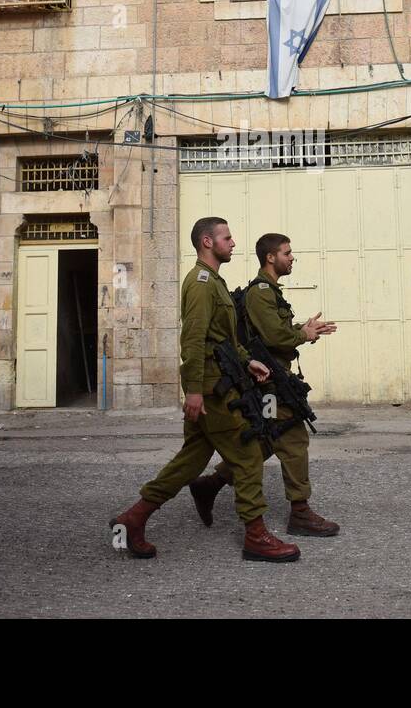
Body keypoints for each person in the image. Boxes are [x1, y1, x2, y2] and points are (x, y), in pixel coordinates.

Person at [111, 217, 301, 562]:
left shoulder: (213, 282)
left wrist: (247, 361)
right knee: (247, 456)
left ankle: (132, 519)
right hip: (215, 393)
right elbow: (193, 340)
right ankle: (256, 536)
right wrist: (194, 392)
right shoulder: (200, 284)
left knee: (190, 461)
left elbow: (222, 339)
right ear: (207, 242)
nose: (233, 242)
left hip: (220, 383)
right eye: (227, 237)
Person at [189, 233, 339, 536]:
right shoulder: (260, 292)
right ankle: (300, 513)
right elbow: (274, 337)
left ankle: (210, 484)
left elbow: (275, 332)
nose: (292, 257)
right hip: (268, 381)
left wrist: (302, 330)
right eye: (287, 253)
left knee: (269, 439)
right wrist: (302, 336)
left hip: (272, 377)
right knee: (293, 437)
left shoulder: (269, 291)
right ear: (271, 258)